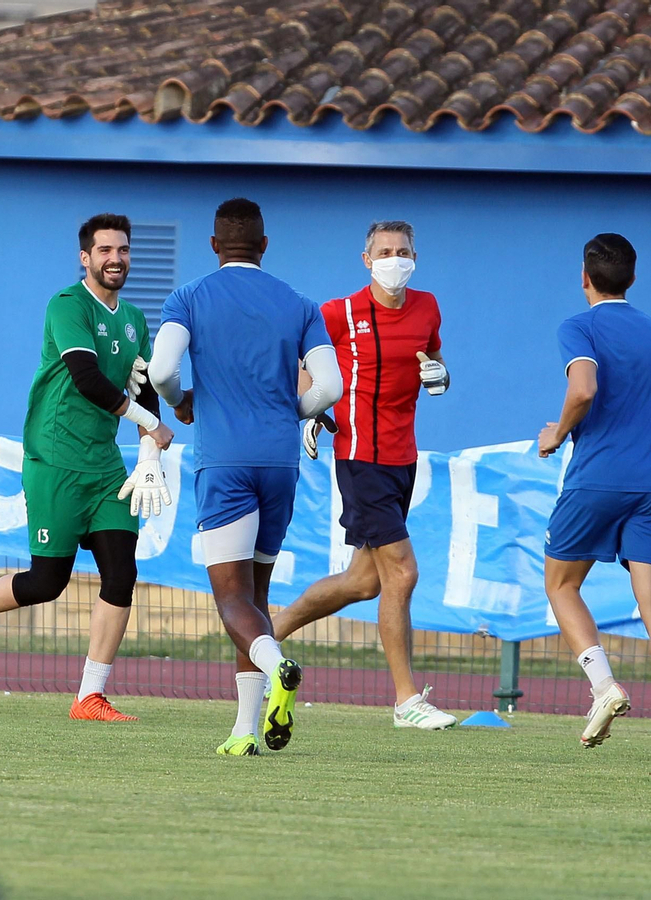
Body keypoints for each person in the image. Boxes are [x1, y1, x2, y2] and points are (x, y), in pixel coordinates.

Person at [0, 213, 174, 722]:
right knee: (47, 582)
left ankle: (89, 696)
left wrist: (149, 454)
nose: (115, 259)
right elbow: (87, 379)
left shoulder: (136, 320)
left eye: (122, 250)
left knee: (121, 573)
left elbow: (143, 389)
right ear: (85, 257)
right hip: (55, 459)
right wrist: (147, 420)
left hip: (103, 465)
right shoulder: (67, 305)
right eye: (104, 250)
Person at [145, 198, 342, 756]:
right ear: (264, 244)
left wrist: (182, 401)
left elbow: (162, 370)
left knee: (230, 600)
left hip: (224, 463)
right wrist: (294, 411)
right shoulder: (299, 304)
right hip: (279, 464)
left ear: (214, 246)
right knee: (255, 597)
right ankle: (243, 732)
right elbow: (329, 388)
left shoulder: (188, 296)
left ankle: (279, 667)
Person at [273, 220, 457, 730]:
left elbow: (434, 358)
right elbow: (297, 358)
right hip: (359, 456)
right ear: (366, 258)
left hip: (403, 458)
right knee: (403, 572)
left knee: (363, 583)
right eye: (384, 251)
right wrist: (311, 406)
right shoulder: (339, 312)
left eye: (402, 251)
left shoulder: (427, 306)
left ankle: (267, 633)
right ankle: (405, 701)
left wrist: (441, 374)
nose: (393, 259)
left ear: (414, 256)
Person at [537, 233, 651, 759]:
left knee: (561, 584)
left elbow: (583, 388)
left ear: (584, 277)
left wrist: (559, 432)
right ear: (632, 277)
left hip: (596, 476)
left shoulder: (578, 326)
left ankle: (605, 687)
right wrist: (636, 421)